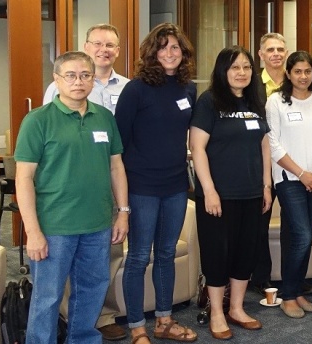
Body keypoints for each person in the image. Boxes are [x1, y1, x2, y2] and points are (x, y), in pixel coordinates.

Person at [16, 51, 129, 343]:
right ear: (57, 80)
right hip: (55, 226)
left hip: (98, 223)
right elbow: (24, 178)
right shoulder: (37, 120)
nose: (78, 81)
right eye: (71, 75)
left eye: (85, 75)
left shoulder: (104, 118)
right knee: (48, 297)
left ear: (93, 79)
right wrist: (33, 231)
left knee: (92, 289)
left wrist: (123, 212)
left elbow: (116, 166)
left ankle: (83, 339)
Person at [114, 23, 198, 344]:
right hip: (141, 188)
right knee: (137, 257)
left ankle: (164, 320)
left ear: (183, 52)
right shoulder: (135, 90)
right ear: (151, 52)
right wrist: (120, 200)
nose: (169, 53)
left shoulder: (188, 89)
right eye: (162, 47)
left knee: (165, 254)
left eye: (175, 47)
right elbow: (118, 146)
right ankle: (137, 327)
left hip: (176, 185)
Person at [190, 46, 271, 340]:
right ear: (223, 70)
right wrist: (209, 190)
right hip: (218, 196)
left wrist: (266, 185)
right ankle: (216, 312)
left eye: (247, 67)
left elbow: (263, 145)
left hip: (251, 193)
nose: (241, 73)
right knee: (217, 255)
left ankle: (236, 308)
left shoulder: (255, 100)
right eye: (235, 67)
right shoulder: (209, 101)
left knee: (244, 253)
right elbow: (197, 148)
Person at [265, 51, 312, 319]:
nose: (303, 76)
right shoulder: (276, 102)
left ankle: (296, 291)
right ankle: (287, 295)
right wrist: (303, 173)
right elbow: (273, 144)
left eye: (308, 71)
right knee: (304, 236)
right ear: (288, 74)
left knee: (299, 238)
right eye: (298, 71)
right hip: (289, 180)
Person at [250, 32, 287, 295]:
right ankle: (261, 276)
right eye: (270, 50)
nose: (276, 54)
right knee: (259, 223)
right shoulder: (251, 84)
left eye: (280, 49)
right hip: (259, 165)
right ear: (261, 55)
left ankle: (293, 275)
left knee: (295, 223)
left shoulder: (296, 81)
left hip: (292, 165)